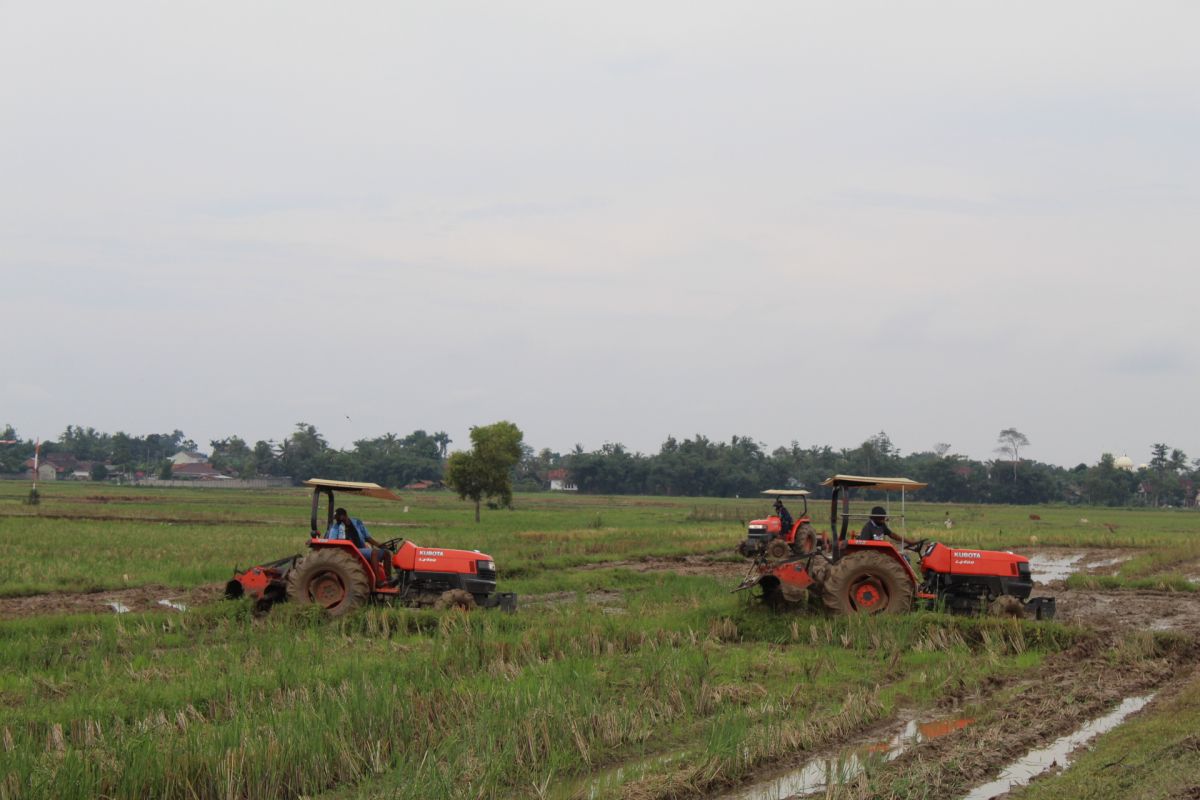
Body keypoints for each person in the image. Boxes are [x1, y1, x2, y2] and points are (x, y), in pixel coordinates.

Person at [327, 507, 394, 583]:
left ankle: (389, 579)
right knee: (374, 553)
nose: (337, 520)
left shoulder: (357, 523)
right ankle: (378, 581)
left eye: (338, 518)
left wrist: (380, 545)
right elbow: (331, 542)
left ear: (344, 516)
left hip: (361, 549)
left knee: (386, 553)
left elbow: (367, 537)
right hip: (350, 552)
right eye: (336, 519)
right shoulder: (336, 528)